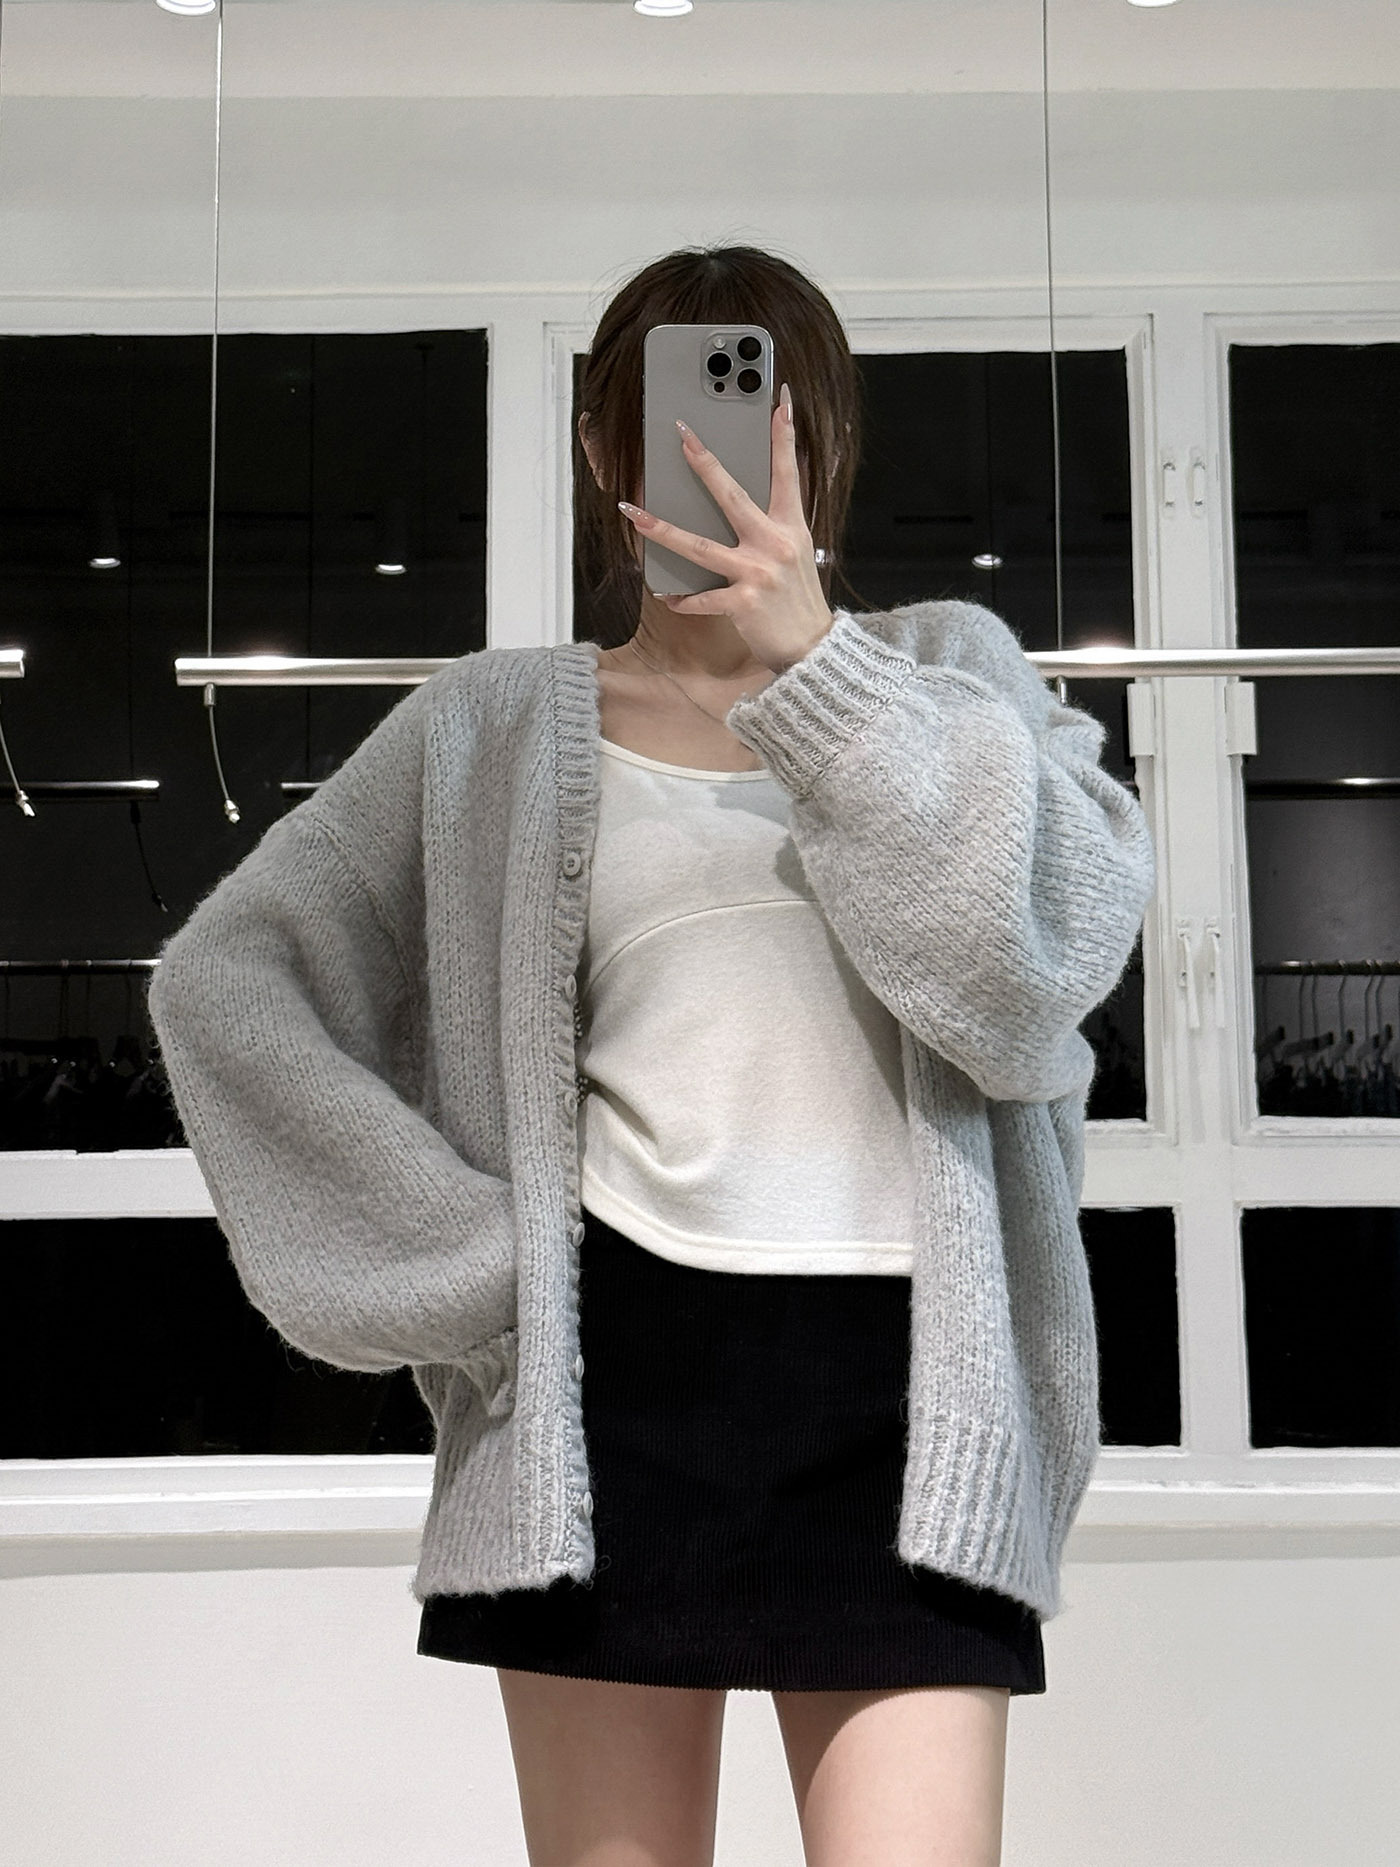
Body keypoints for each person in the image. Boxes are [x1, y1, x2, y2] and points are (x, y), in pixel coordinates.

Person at [148, 244, 1156, 1867]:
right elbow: (228, 983)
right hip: (606, 1400)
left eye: (761, 420)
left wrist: (820, 670)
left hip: (917, 1406)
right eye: (667, 424)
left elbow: (1029, 978)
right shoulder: (488, 728)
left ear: (823, 441)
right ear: (602, 451)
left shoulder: (950, 673)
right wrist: (468, 1261)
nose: (717, 459)